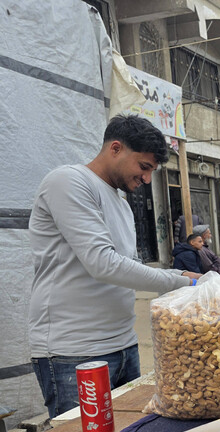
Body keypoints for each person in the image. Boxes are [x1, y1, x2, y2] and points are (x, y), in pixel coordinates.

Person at [28, 115, 198, 417]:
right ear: (115, 149)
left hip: (124, 345)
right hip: (75, 352)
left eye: (151, 171)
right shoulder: (68, 181)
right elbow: (103, 264)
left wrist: (181, 275)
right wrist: (184, 281)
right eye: (143, 167)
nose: (146, 179)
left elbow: (128, 266)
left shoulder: (120, 202)